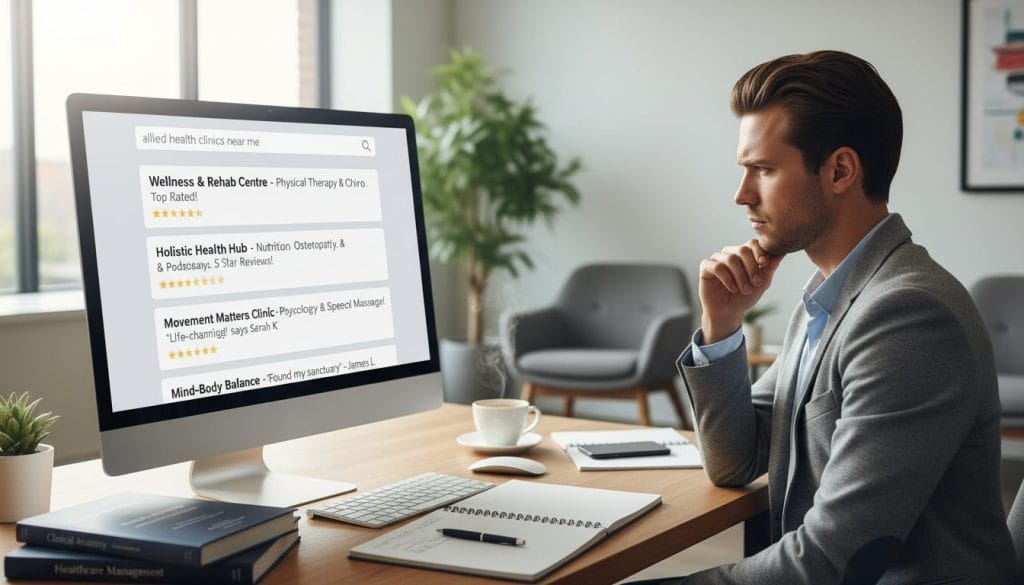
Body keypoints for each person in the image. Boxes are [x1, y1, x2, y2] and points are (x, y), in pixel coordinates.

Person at [649, 51, 1016, 584]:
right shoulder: (831, 296)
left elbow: (832, 560)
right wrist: (722, 324)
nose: (742, 194)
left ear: (840, 169)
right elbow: (735, 461)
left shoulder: (907, 315)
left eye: (764, 170)